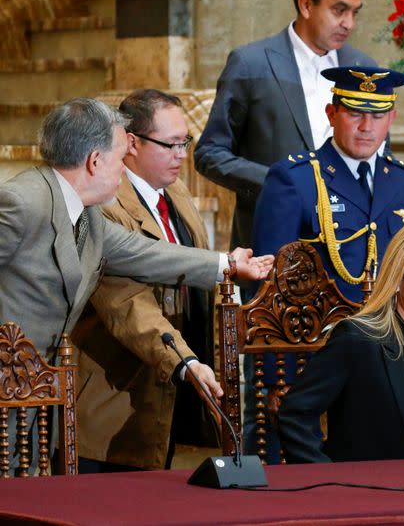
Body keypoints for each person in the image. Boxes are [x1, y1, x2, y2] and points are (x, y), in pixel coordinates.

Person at [0, 97, 273, 473]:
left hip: (36, 392)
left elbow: (145, 253)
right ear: (95, 161)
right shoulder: (22, 201)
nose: (122, 168)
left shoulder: (87, 214)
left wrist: (227, 264)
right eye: (118, 156)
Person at [69, 90, 221, 473]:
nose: (182, 155)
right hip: (115, 401)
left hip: (172, 397)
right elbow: (127, 302)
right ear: (132, 143)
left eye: (185, 142)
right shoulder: (103, 202)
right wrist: (184, 361)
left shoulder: (177, 191)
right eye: (170, 144)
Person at [278, 220, 404, 462]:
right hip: (366, 494)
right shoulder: (356, 339)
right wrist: (329, 483)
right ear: (398, 279)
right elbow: (294, 415)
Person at [194, 0, 374, 253]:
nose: (349, 23)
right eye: (339, 10)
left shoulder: (364, 69)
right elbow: (209, 153)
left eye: (355, 13)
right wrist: (278, 181)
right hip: (271, 243)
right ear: (306, 5)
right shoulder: (251, 63)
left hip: (351, 246)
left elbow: (379, 154)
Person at [253, 65, 404, 302]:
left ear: (391, 119)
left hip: (393, 329)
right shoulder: (294, 179)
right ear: (332, 114)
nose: (367, 127)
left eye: (377, 116)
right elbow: (269, 282)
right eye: (355, 114)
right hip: (322, 332)